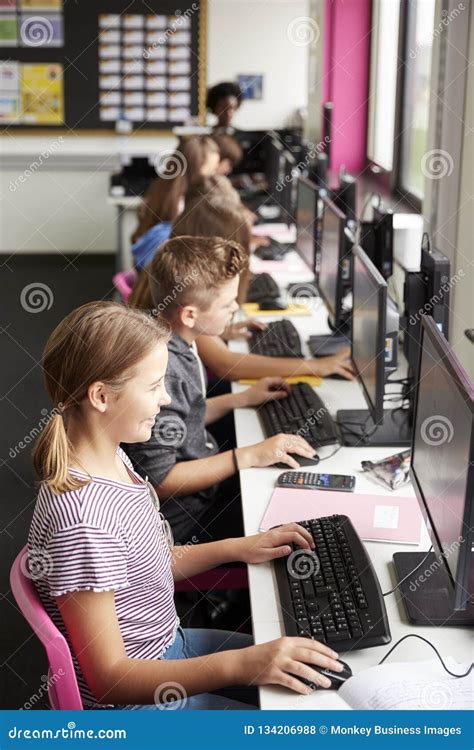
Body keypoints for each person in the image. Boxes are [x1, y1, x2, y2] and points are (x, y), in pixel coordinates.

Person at [28, 300, 342, 710]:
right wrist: (243, 664)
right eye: (154, 386)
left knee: (324, 676)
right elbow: (110, 680)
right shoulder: (84, 522)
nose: (164, 399)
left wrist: (236, 547)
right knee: (306, 717)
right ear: (101, 396)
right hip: (138, 705)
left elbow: (145, 563)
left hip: (168, 643)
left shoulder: (112, 455)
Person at [125, 237, 317, 544]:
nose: (236, 307)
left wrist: (243, 398)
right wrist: (248, 456)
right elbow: (160, 481)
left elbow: (187, 418)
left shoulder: (172, 338)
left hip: (198, 487)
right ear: (190, 315)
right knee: (297, 518)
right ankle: (229, 593)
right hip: (184, 520)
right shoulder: (166, 369)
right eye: (227, 303)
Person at [130, 135, 220, 269]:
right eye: (211, 171)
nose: (215, 178)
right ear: (194, 169)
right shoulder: (181, 206)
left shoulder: (163, 187)